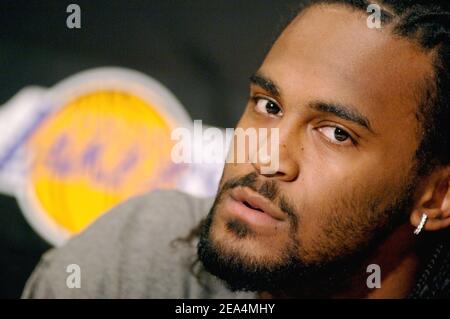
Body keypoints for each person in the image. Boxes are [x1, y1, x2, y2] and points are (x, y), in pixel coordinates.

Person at [23, 0, 450, 298]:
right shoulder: (140, 254)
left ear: (438, 197)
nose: (265, 156)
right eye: (268, 105)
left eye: (336, 133)